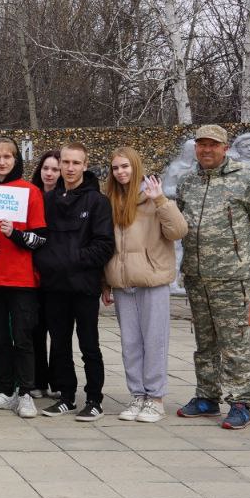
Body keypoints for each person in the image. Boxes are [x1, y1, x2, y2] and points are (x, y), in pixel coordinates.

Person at [175, 125, 250, 430]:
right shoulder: (187, 182)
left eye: (212, 145)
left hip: (231, 279)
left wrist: (246, 258)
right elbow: (180, 224)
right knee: (204, 341)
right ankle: (207, 396)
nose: (206, 150)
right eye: (201, 145)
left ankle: (240, 401)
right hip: (196, 276)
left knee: (233, 342)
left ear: (225, 147)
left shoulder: (245, 178)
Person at [102, 147, 186, 424]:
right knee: (130, 344)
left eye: (125, 166)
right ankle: (137, 395)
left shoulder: (153, 196)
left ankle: (155, 398)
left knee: (154, 341)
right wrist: (105, 281)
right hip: (123, 282)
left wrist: (161, 200)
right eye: (116, 168)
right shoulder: (110, 200)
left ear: (135, 167)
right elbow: (106, 245)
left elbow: (178, 231)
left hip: (151, 280)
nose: (121, 172)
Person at [34, 143, 115, 421]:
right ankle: (66, 397)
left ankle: (94, 399)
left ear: (85, 164)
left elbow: (104, 245)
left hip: (84, 285)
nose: (69, 168)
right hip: (54, 286)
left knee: (89, 344)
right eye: (65, 163)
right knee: (59, 345)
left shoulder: (97, 202)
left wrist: (71, 259)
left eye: (75, 163)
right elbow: (39, 239)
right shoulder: (47, 200)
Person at [0, 137, 47, 420]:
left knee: (23, 338)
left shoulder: (30, 192)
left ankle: (25, 393)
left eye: (8, 156)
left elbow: (41, 238)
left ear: (17, 160)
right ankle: (5, 391)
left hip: (22, 279)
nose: (2, 161)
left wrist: (14, 235)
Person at [29, 148, 62, 399]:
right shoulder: (32, 194)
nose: (49, 173)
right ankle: (38, 379)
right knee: (35, 330)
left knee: (58, 330)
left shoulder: (65, 197)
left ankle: (58, 380)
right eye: (46, 168)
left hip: (58, 273)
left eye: (55, 169)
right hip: (33, 272)